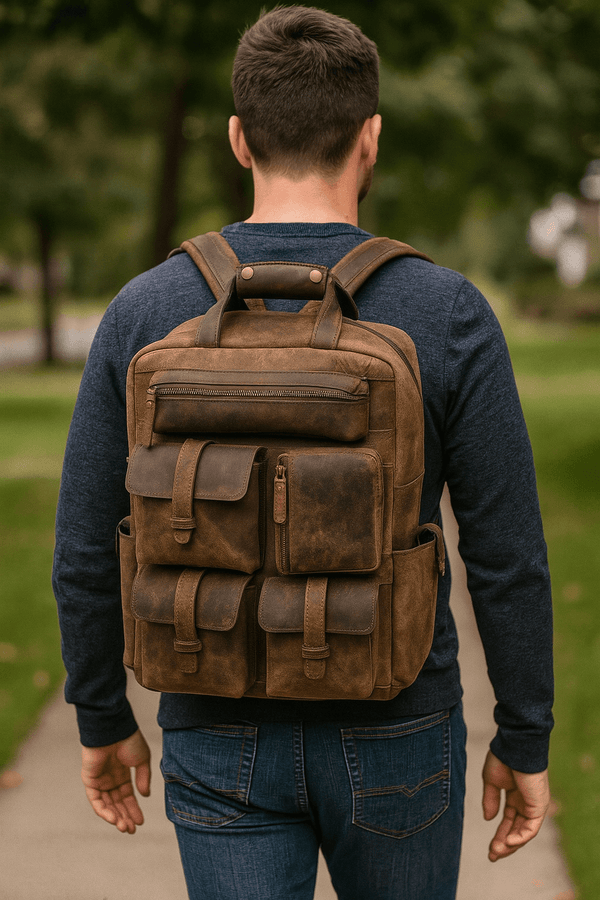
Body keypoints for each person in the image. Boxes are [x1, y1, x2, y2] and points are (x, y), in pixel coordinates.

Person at [53, 6, 553, 899]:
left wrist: (101, 716)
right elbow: (507, 556)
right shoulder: (447, 312)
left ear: (240, 138)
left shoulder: (143, 309)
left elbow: (89, 544)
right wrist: (525, 736)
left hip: (213, 725)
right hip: (398, 719)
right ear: (371, 138)